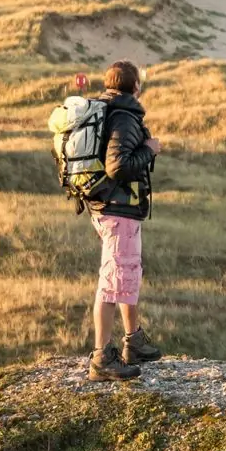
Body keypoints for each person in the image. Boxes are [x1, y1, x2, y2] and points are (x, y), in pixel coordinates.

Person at [86, 60, 164, 382]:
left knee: (126, 272)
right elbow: (117, 166)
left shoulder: (108, 112)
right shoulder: (125, 117)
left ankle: (133, 341)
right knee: (111, 280)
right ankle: (102, 357)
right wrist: (149, 149)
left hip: (110, 207)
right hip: (119, 210)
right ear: (135, 87)